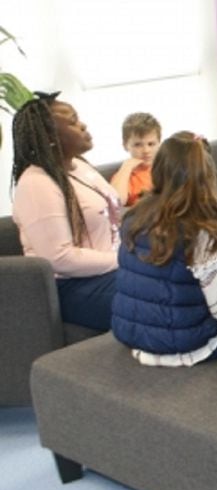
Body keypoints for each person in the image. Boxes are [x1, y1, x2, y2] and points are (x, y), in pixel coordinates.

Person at [110, 132, 217, 367]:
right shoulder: (201, 230)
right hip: (185, 343)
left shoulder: (134, 216)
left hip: (130, 333)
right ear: (206, 176)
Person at [11, 92, 120, 332]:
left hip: (112, 269)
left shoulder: (80, 166)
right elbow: (59, 258)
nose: (83, 125)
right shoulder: (36, 184)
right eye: (72, 121)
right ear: (50, 137)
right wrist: (124, 260)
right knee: (167, 294)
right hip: (74, 287)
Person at [109, 112, 161, 207]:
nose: (146, 150)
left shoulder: (167, 167)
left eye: (151, 144)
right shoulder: (125, 176)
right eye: (137, 145)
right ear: (125, 146)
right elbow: (115, 203)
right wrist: (126, 167)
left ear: (159, 144)